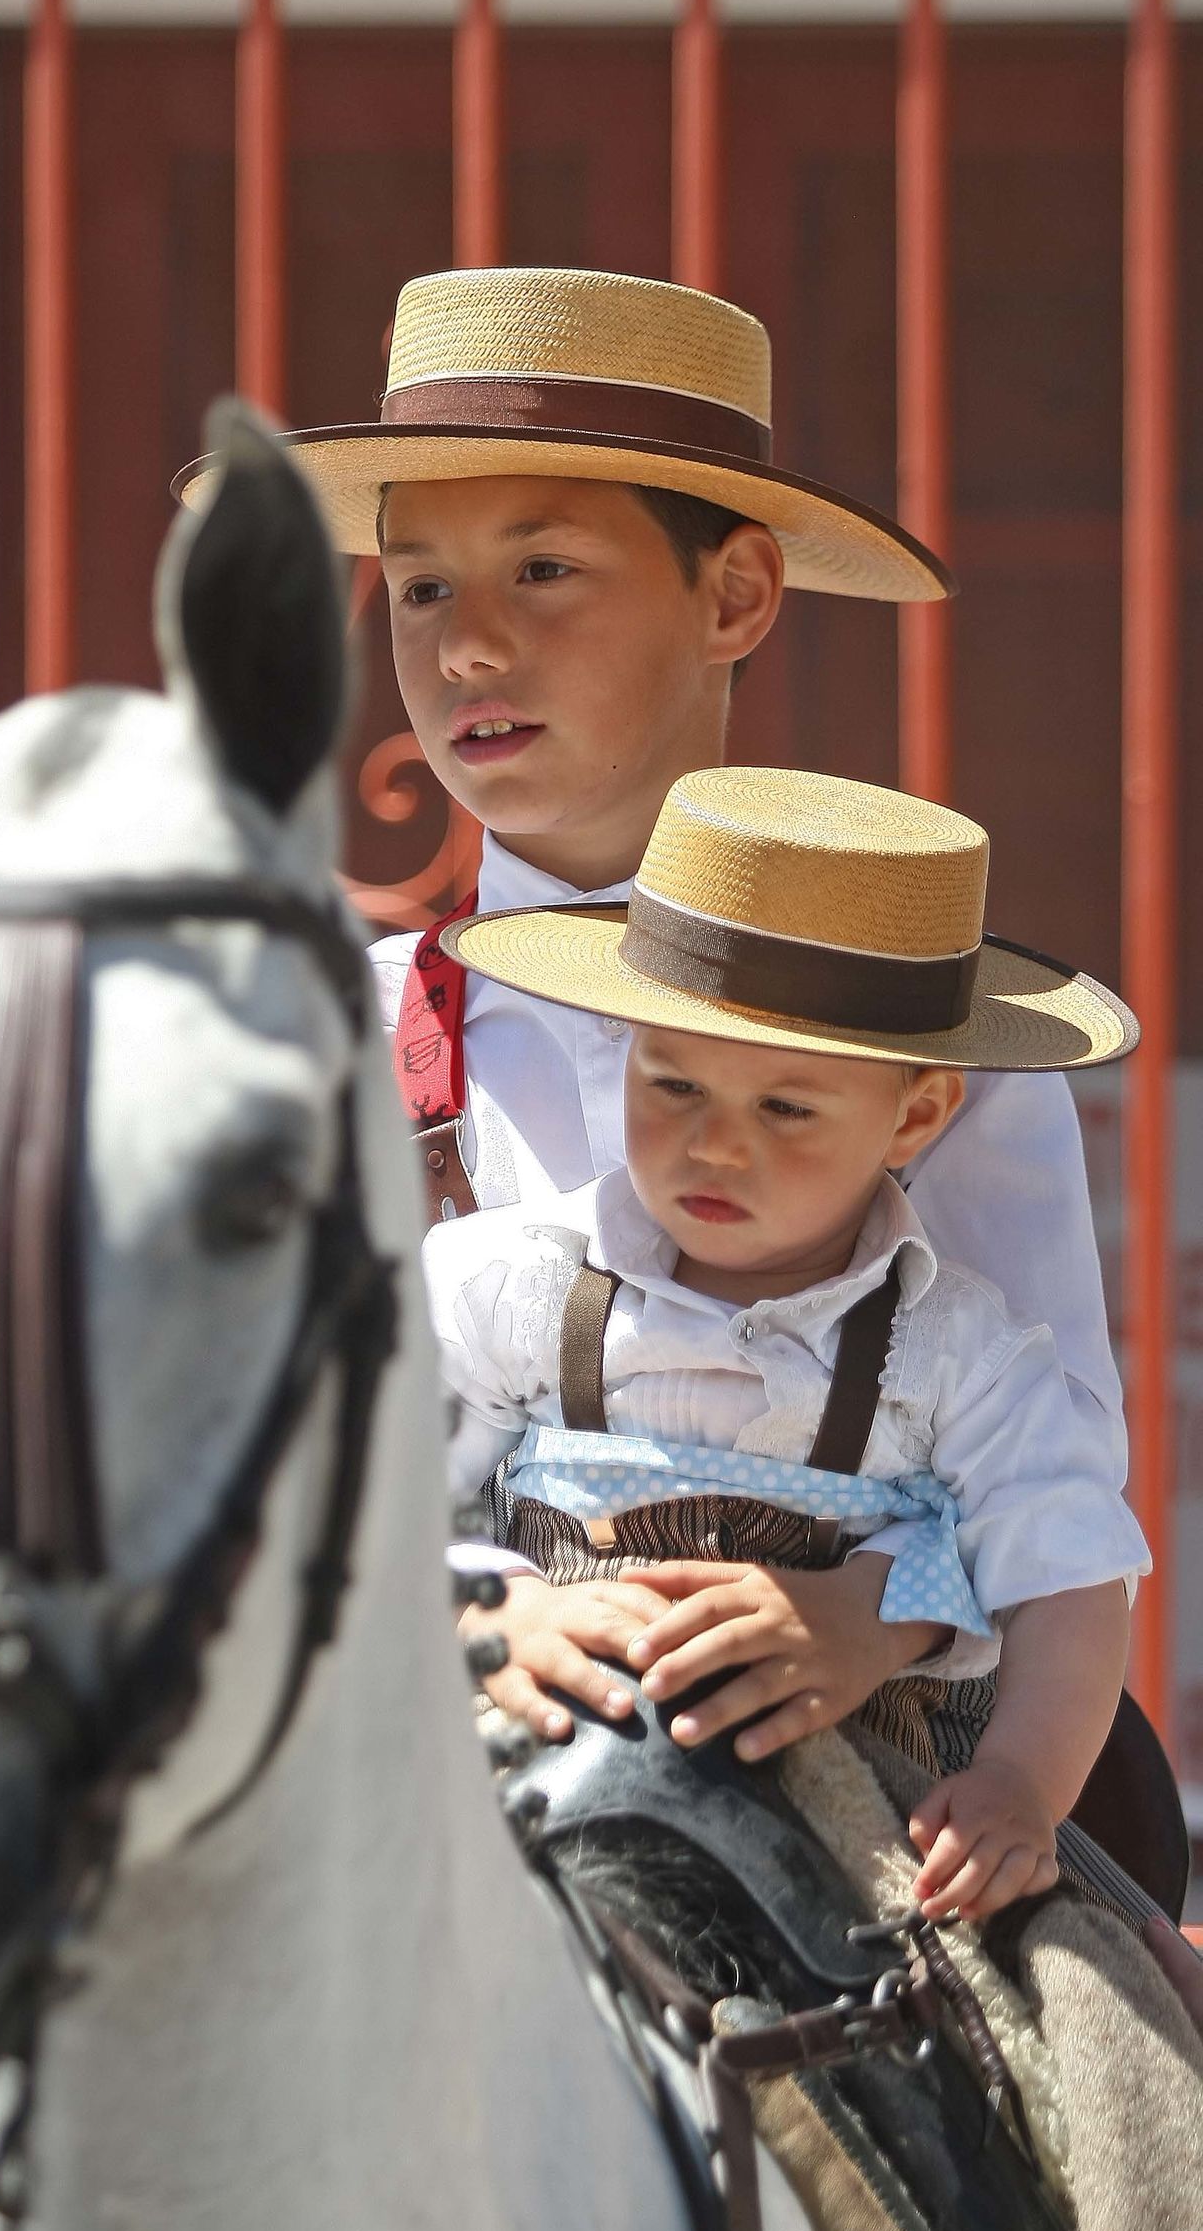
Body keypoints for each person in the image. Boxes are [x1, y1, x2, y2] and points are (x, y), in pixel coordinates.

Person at [180, 262, 1126, 1733]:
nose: (465, 644)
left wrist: (871, 1614)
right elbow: (254, 1461)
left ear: (735, 595)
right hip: (440, 1773)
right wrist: (492, 1606)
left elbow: (1060, 1474)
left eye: (542, 569)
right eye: (420, 585)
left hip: (881, 1771)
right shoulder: (331, 1037)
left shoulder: (929, 1032)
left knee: (1081, 1977)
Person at [423, 763, 1150, 1921]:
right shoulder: (510, 1281)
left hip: (862, 1839)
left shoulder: (960, 1352)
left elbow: (1067, 1583)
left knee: (1099, 2052)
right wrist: (486, 1614)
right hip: (523, 1785)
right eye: (672, 1086)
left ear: (913, 1116)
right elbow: (360, 1499)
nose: (714, 1147)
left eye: (786, 1107)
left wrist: (1014, 1783)